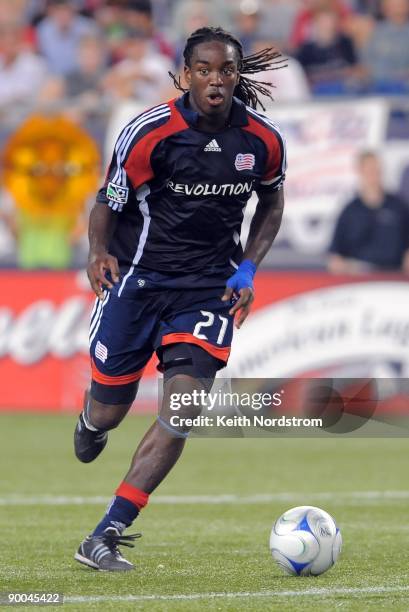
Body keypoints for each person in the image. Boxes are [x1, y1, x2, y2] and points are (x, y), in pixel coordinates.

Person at [73, 26, 287, 571]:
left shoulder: (261, 140)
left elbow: (271, 202)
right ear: (185, 75)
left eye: (227, 71)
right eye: (206, 70)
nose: (217, 81)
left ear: (238, 76)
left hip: (208, 289)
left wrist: (247, 269)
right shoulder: (150, 132)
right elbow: (109, 199)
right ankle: (93, 421)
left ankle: (106, 532)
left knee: (182, 408)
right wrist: (98, 249)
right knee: (109, 409)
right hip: (137, 282)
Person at [328, 151, 409, 273]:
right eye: (369, 170)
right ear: (360, 172)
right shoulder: (349, 212)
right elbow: (335, 257)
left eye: (377, 170)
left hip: (393, 276)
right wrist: (343, 267)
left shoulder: (398, 208)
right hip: (359, 279)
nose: (373, 175)